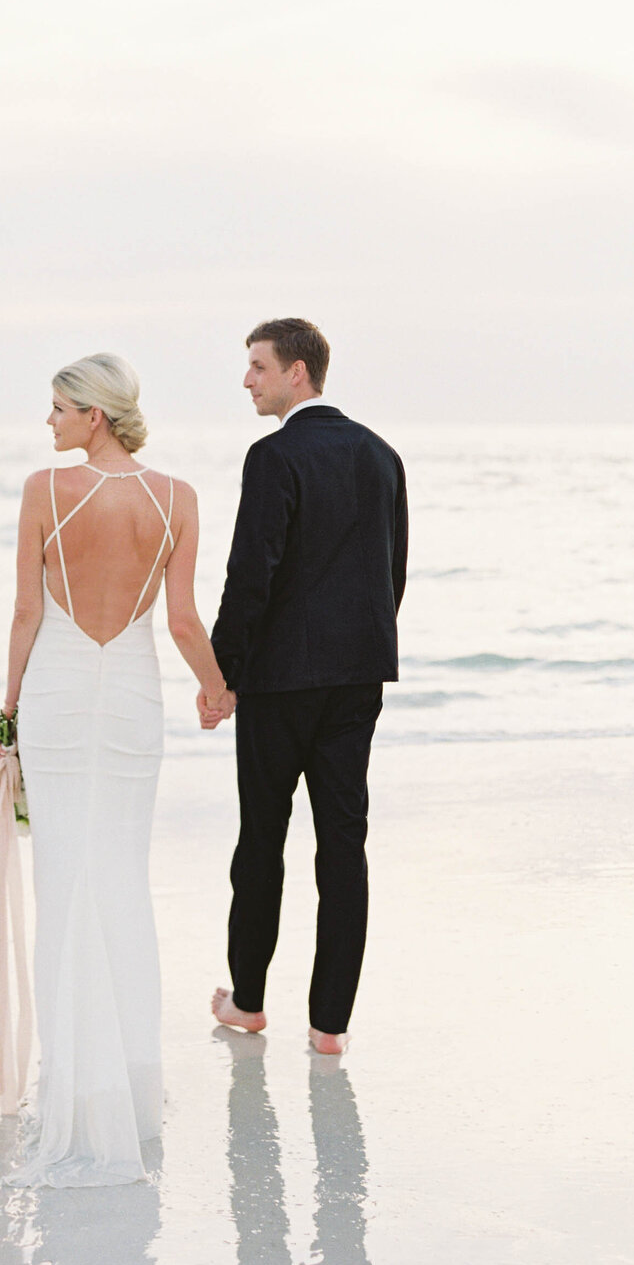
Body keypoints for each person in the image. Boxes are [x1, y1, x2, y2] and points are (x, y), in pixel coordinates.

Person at [0, 353, 228, 1186]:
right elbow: (182, 618)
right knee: (122, 876)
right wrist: (216, 686)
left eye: (59, 407)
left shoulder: (43, 491)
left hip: (60, 693)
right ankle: (129, 1092)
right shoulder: (178, 499)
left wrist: (7, 711)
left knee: (66, 877)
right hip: (132, 696)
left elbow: (29, 609)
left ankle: (73, 1086)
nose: (49, 422)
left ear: (95, 415)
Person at [201, 318, 407, 1055]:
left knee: (262, 837)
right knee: (343, 845)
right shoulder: (382, 455)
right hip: (358, 676)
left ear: (298, 373)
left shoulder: (275, 455)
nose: (248, 379)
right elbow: (394, 575)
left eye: (258, 366)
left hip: (281, 681)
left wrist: (221, 675)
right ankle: (330, 1024)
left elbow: (249, 573)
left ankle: (249, 1001)